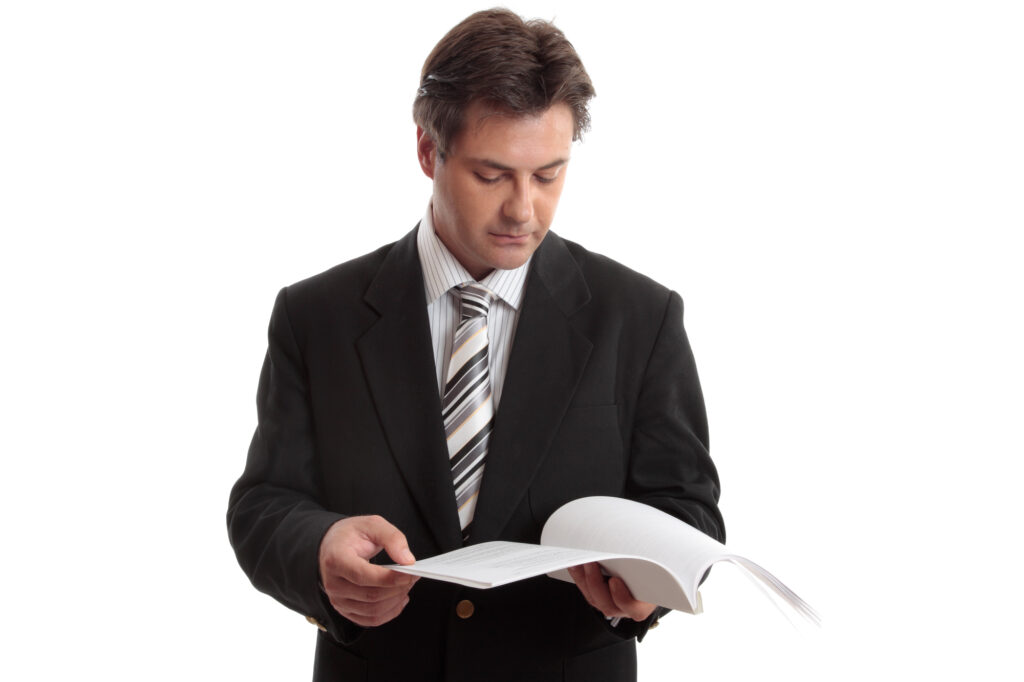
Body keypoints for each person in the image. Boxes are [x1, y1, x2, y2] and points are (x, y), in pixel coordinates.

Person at [227, 8, 724, 681]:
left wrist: (647, 588)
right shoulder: (317, 316)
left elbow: (688, 508)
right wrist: (317, 548)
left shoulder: (639, 316)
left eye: (548, 175)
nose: (524, 210)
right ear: (429, 152)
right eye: (493, 176)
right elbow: (264, 503)